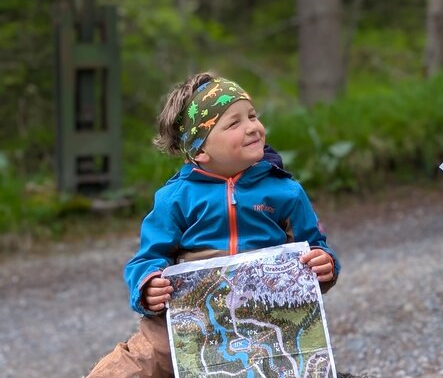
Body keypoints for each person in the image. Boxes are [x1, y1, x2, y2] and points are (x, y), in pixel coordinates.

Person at [87, 72, 340, 378]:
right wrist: (147, 286)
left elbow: (314, 247)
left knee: (295, 361)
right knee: (134, 363)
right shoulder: (176, 198)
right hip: (188, 320)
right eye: (234, 123)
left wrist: (324, 266)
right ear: (201, 150)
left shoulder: (285, 191)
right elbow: (147, 258)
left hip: (269, 318)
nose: (252, 128)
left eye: (252, 116)